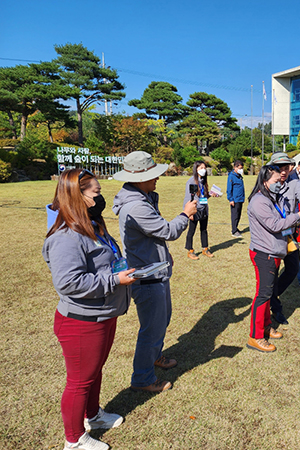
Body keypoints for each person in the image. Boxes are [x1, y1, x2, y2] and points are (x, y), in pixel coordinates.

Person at [43, 169, 136, 450]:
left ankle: (93, 415)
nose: (100, 196)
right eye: (95, 192)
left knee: (95, 371)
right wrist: (114, 280)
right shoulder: (65, 237)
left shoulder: (91, 225)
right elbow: (69, 282)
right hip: (81, 321)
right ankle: (74, 440)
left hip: (103, 313)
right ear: (76, 196)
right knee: (79, 382)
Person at [113, 151, 197, 393]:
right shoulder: (137, 206)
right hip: (147, 276)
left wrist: (162, 254)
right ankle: (142, 378)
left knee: (161, 321)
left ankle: (155, 356)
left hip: (154, 269)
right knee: (151, 328)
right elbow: (168, 231)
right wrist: (186, 214)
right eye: (153, 175)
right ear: (139, 178)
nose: (158, 178)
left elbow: (154, 236)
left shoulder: (143, 197)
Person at [246, 165, 300, 352]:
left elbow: (282, 224)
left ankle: (266, 325)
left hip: (274, 252)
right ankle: (255, 336)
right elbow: (275, 225)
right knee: (263, 295)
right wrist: (297, 216)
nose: (279, 185)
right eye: (276, 181)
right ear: (265, 181)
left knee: (268, 293)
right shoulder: (259, 201)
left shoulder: (271, 198)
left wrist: (297, 220)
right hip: (264, 254)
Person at [268, 152, 300, 324]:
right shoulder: (266, 185)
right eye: (280, 168)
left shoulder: (294, 183)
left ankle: (272, 295)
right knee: (271, 274)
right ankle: (275, 307)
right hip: (272, 236)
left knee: (293, 268)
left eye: (286, 168)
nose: (283, 171)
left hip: (289, 235)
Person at [184, 161, 215, 258]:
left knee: (204, 230)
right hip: (195, 210)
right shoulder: (191, 181)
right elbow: (188, 197)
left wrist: (210, 194)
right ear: (196, 169)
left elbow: (203, 196)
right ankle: (190, 250)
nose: (203, 170)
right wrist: (190, 213)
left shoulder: (203, 181)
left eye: (204, 168)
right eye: (201, 168)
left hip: (204, 209)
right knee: (191, 231)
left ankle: (205, 249)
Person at [227, 160, 246, 237]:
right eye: (240, 168)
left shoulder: (239, 176)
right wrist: (230, 199)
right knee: (235, 215)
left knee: (238, 214)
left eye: (242, 168)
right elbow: (229, 189)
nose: (241, 170)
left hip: (240, 199)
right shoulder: (231, 176)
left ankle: (236, 227)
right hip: (235, 199)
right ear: (235, 167)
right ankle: (234, 230)